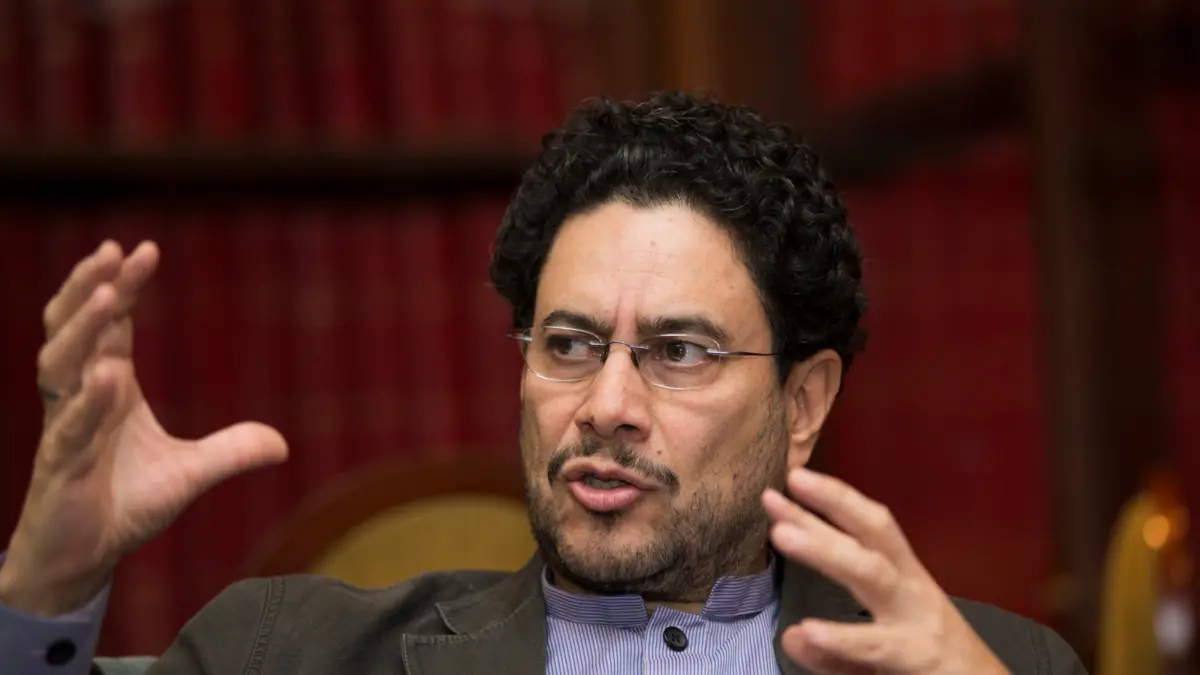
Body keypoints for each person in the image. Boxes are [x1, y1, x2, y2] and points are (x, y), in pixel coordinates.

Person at [0, 91, 1085, 675]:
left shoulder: (991, 666)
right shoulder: (291, 653)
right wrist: (45, 586)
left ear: (803, 404)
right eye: (569, 343)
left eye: (678, 352)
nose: (605, 406)